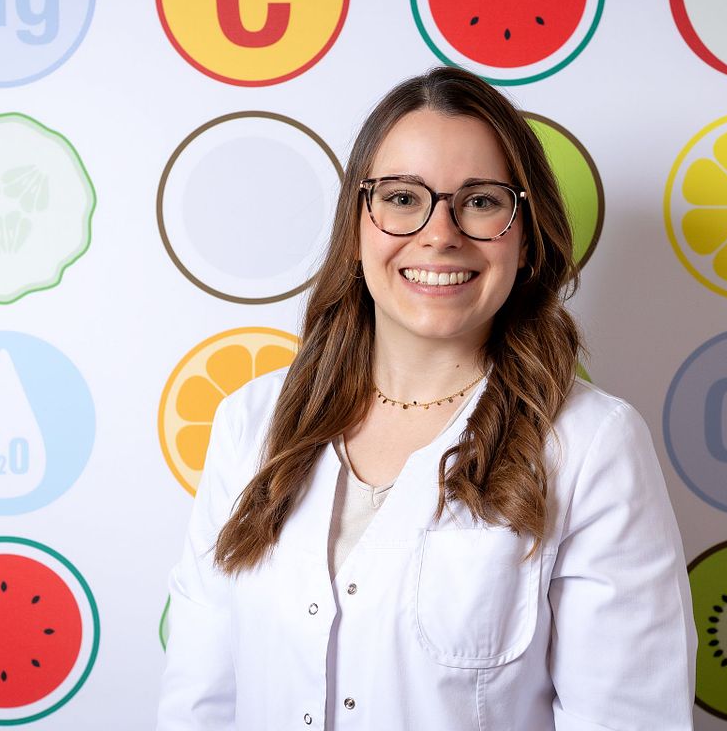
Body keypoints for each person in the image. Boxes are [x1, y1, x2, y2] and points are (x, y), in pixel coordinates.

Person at [156, 66, 696, 730]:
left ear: (526, 235)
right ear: (357, 226)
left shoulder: (593, 446)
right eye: (403, 198)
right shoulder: (251, 422)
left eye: (481, 201)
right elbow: (199, 703)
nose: (440, 234)